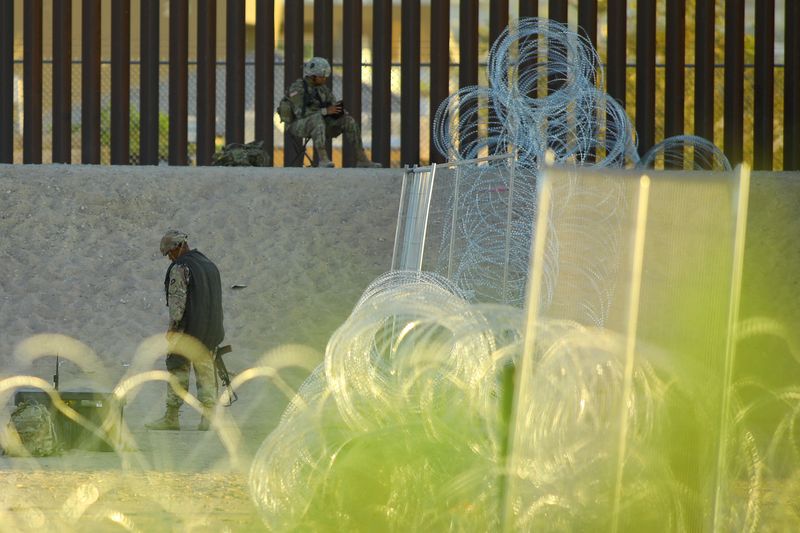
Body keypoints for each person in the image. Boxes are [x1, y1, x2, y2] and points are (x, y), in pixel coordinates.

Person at [146, 230, 225, 431]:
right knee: (206, 373)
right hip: (210, 330)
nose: (169, 258)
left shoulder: (180, 268)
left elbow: (177, 303)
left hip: (187, 331)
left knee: (177, 370)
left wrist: (173, 328)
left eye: (169, 253)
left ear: (178, 247)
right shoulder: (209, 265)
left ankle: (171, 418)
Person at [284, 57, 381, 168]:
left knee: (348, 121)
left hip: (319, 123)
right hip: (298, 124)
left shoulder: (322, 89)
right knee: (317, 120)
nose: (324, 79)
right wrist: (326, 111)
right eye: (322, 77)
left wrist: (339, 111)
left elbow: (332, 103)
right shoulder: (297, 88)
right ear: (313, 76)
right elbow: (299, 112)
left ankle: (362, 159)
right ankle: (323, 159)